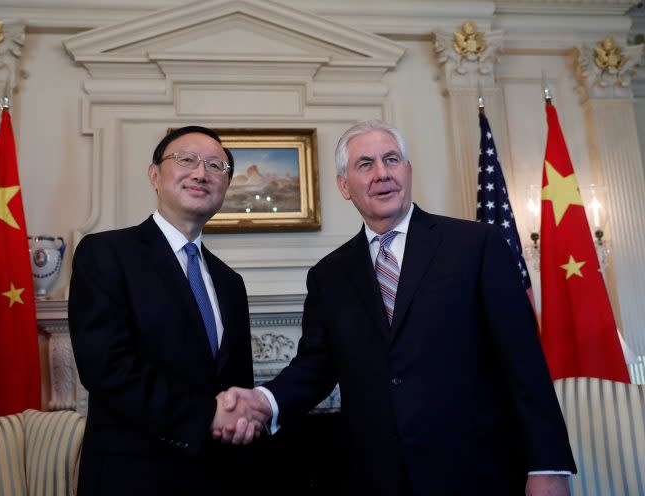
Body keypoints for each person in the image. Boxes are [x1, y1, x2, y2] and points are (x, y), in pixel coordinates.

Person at [218, 120, 577, 495]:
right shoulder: (329, 275)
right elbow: (315, 367)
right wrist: (263, 400)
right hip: (379, 476)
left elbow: (523, 362)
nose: (381, 174)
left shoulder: (475, 245)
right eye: (365, 164)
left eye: (391, 160)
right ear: (344, 186)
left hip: (477, 470)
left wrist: (548, 466)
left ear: (407, 171)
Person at [68, 126, 264, 495]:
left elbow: (237, 386)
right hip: (133, 477)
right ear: (154, 175)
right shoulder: (105, 254)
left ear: (225, 186)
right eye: (186, 159)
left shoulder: (230, 282)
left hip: (216, 477)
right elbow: (107, 368)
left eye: (216, 166)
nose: (201, 172)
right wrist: (206, 414)